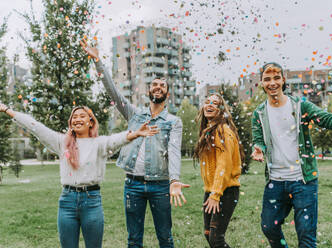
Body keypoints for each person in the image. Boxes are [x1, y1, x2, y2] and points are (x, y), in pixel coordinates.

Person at [0, 104, 158, 248]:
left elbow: (117, 140)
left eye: (82, 116)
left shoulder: (99, 144)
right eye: (74, 117)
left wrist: (136, 134)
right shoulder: (61, 142)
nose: (77, 119)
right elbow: (35, 127)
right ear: (70, 123)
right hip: (67, 202)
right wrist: (7, 110)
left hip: (92, 202)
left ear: (91, 121)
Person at [81, 40, 190, 248]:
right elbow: (113, 92)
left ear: (167, 94)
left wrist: (174, 179)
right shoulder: (134, 114)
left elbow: (174, 151)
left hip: (160, 185)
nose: (158, 88)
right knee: (133, 238)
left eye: (162, 86)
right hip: (133, 184)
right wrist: (98, 62)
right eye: (155, 85)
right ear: (149, 91)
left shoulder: (173, 122)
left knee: (165, 237)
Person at [251, 62, 332, 248]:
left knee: (306, 237)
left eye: (276, 78)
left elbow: (327, 119)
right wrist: (258, 148)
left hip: (303, 181)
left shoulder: (300, 106)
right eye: (267, 79)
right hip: (276, 181)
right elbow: (259, 139)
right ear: (262, 83)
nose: (272, 82)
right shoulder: (259, 113)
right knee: (268, 227)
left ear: (283, 80)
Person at [194, 93, 244, 248]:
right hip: (211, 191)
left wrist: (216, 194)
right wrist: (211, 192)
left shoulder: (223, 131)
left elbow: (224, 165)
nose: (210, 105)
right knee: (209, 234)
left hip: (225, 191)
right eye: (207, 102)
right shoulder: (208, 131)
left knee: (216, 239)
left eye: (215, 103)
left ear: (221, 110)